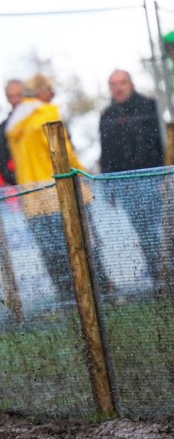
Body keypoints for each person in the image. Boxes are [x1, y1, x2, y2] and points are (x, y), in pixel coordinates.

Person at [7, 73, 110, 300]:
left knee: (52, 252)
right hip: (59, 193)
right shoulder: (45, 113)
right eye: (50, 90)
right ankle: (99, 294)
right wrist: (82, 172)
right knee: (83, 243)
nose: (53, 95)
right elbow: (62, 150)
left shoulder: (14, 123)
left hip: (33, 199)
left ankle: (67, 298)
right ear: (41, 92)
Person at [99, 69, 165, 288]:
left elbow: (164, 143)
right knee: (144, 233)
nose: (118, 87)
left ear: (131, 83)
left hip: (156, 179)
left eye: (122, 82)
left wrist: (166, 175)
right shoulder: (107, 115)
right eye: (113, 83)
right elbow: (106, 153)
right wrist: (108, 185)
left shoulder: (150, 106)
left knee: (166, 229)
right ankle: (160, 280)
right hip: (126, 186)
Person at [0, 80, 23, 186]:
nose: (15, 100)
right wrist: (17, 180)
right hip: (22, 185)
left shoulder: (39, 120)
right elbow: (0, 162)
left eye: (19, 95)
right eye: (11, 96)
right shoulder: (2, 130)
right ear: (7, 98)